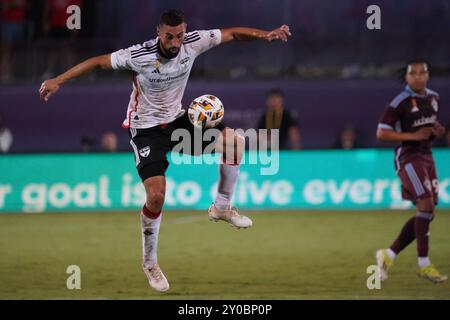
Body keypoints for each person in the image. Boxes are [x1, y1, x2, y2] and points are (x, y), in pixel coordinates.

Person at [39, 9, 291, 293]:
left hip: (177, 122)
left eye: (179, 35)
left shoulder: (193, 42)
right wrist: (58, 80)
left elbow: (231, 33)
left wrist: (266, 35)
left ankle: (221, 208)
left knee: (235, 142)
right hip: (146, 130)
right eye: (169, 36)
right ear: (158, 32)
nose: (175, 42)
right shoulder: (139, 55)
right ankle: (149, 262)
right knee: (157, 195)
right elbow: (98, 62)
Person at [375, 59, 447, 283]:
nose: (417, 76)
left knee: (427, 213)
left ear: (428, 75)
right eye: (412, 73)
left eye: (422, 72)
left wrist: (437, 131)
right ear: (406, 77)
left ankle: (388, 254)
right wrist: (413, 136)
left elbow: (427, 128)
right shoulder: (400, 102)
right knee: (425, 206)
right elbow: (382, 133)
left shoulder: (433, 98)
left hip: (427, 157)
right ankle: (423, 265)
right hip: (407, 156)